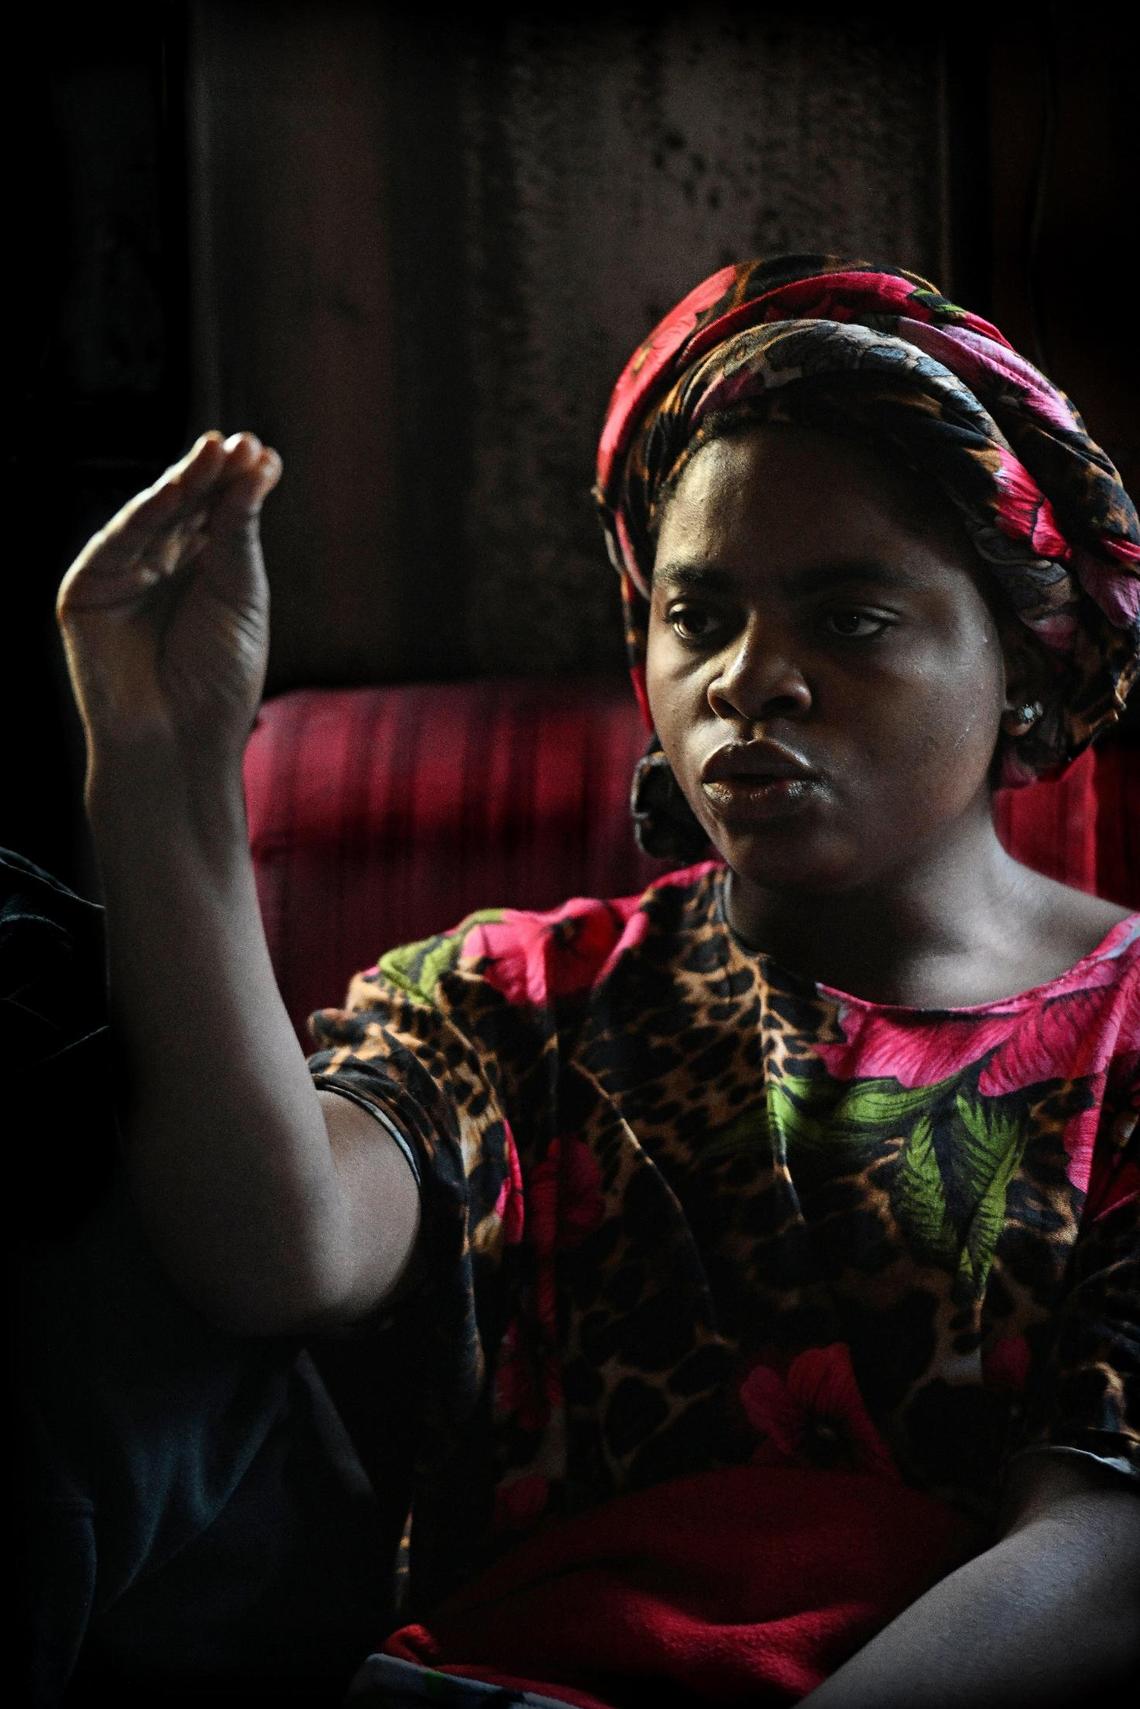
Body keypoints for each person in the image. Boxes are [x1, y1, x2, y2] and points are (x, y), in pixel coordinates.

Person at [48, 255, 1138, 1707]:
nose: (751, 679)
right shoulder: (515, 996)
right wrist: (163, 762)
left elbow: (1107, 1537)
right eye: (697, 616)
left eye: (850, 618)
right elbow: (275, 1245)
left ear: (1023, 656)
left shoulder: (1129, 1039)